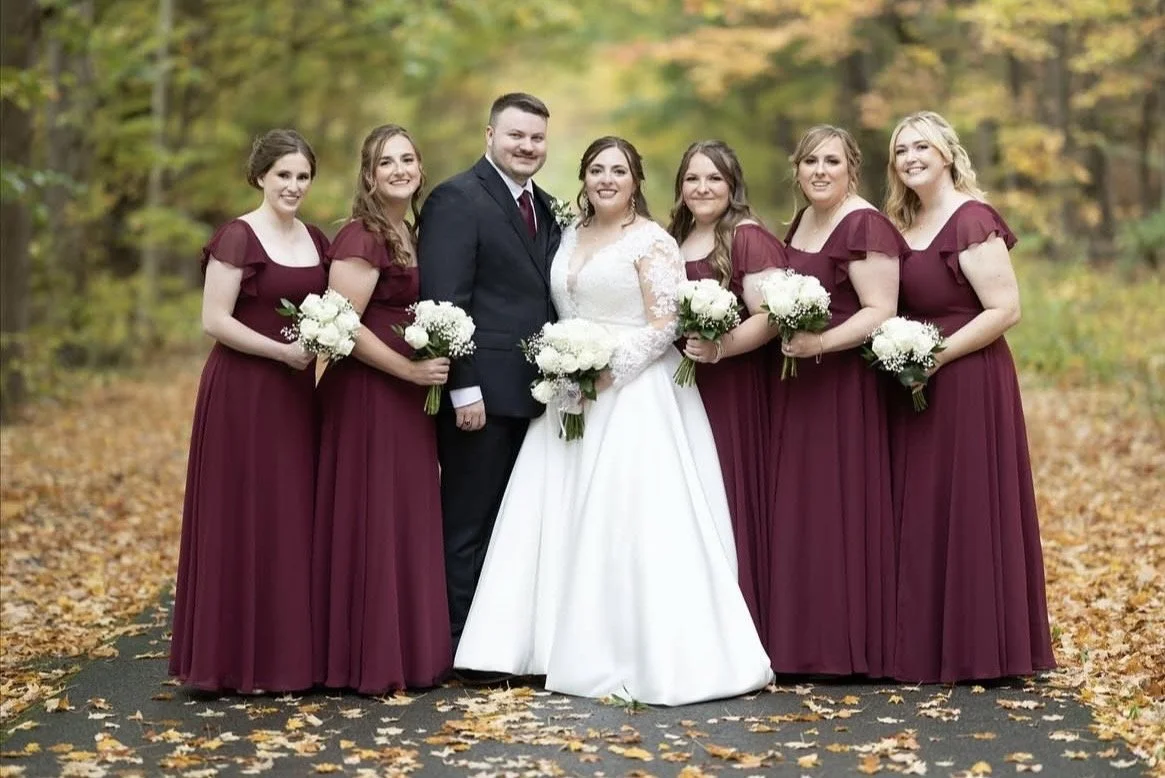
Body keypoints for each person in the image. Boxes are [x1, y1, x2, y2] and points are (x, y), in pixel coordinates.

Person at [454, 136, 773, 705]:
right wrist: (564, 368)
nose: (607, 179)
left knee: (624, 518)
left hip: (632, 394)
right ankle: (547, 645)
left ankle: (625, 649)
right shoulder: (568, 234)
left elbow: (664, 323)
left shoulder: (651, 241)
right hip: (566, 391)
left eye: (618, 171)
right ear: (584, 176)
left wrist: (605, 373)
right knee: (557, 512)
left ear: (636, 181)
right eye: (597, 169)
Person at [884, 110, 1055, 683]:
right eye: (901, 150)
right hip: (913, 380)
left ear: (948, 153)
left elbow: (1006, 309)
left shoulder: (971, 219)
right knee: (924, 507)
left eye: (922, 147)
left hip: (969, 378)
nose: (910, 157)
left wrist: (937, 356)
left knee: (970, 505)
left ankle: (982, 648)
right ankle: (923, 645)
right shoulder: (902, 225)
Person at [169, 129, 328, 693]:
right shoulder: (238, 235)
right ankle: (228, 660)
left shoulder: (314, 238)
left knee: (289, 515)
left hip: (295, 396)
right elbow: (215, 319)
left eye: (302, 176)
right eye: (283, 174)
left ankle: (284, 660)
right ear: (260, 176)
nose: (293, 185)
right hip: (242, 391)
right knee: (241, 514)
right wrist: (281, 351)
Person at [417, 93, 561, 653]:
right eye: (516, 136)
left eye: (536, 138)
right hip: (480, 396)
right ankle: (455, 643)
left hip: (538, 393)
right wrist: (463, 387)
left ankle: (498, 641)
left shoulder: (545, 205)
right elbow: (445, 302)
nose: (526, 147)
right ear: (489, 135)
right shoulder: (457, 199)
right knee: (468, 525)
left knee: (513, 525)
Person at [311, 124, 453, 694]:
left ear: (420, 168)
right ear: (369, 175)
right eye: (386, 162)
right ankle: (361, 658)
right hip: (369, 396)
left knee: (404, 517)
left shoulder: (412, 231)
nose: (399, 169)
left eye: (408, 159)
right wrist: (408, 371)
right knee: (371, 516)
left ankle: (407, 652)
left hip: (409, 401)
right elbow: (340, 324)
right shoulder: (361, 236)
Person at [764, 125, 905, 676]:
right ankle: (801, 640)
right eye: (809, 162)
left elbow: (881, 309)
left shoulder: (864, 222)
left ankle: (846, 645)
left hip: (844, 387)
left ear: (852, 168)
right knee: (803, 509)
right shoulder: (803, 220)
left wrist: (819, 342)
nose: (819, 171)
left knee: (837, 507)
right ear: (796, 170)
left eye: (831, 161)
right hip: (799, 384)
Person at [667, 140, 784, 634]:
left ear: (732, 184)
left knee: (730, 491)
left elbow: (771, 317)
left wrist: (722, 348)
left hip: (732, 386)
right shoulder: (674, 237)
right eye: (693, 178)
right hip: (680, 387)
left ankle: (742, 621)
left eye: (714, 178)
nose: (703, 188)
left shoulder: (747, 237)